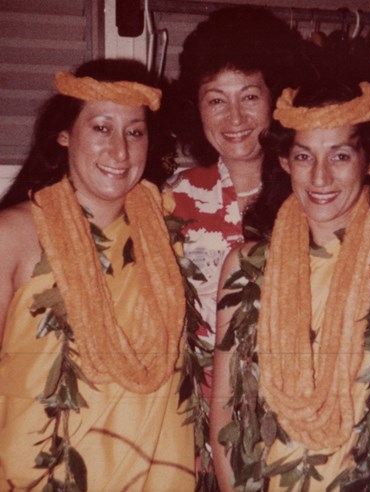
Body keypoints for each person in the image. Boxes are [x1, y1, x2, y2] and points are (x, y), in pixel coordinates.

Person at [211, 80, 370, 491]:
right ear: (285, 161)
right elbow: (225, 407)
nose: (320, 176)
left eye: (340, 155)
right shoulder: (246, 265)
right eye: (304, 156)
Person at [0, 59, 195, 490]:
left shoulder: (166, 235)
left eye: (135, 131)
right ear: (64, 132)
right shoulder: (11, 235)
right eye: (101, 127)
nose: (120, 151)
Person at [165, 4, 318, 389]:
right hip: (197, 418)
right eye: (216, 100)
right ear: (195, 108)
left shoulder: (316, 191)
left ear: (277, 98)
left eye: (249, 96)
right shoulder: (171, 200)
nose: (234, 118)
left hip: (300, 405)